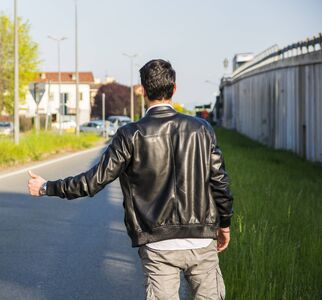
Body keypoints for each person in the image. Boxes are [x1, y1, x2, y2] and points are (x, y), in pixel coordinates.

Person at [28, 59, 233, 300]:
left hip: (158, 246)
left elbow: (92, 181)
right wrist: (224, 224)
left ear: (143, 91)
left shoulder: (130, 135)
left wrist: (46, 187)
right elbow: (220, 182)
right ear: (174, 89)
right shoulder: (201, 129)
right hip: (201, 239)